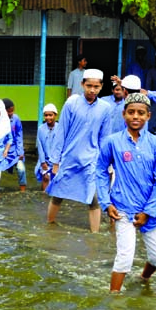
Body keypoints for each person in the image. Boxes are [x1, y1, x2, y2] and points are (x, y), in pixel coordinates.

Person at [98, 93, 156, 292]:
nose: (135, 116)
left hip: (150, 210)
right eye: (131, 112)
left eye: (140, 113)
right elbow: (100, 171)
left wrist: (148, 211)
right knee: (125, 257)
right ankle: (114, 298)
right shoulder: (112, 142)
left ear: (148, 116)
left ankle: (143, 278)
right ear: (123, 114)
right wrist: (106, 202)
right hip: (123, 207)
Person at [46, 69, 112, 232]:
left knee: (93, 198)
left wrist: (107, 164)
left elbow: (105, 139)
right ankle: (49, 227)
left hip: (92, 159)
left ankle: (94, 237)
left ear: (101, 87)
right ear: (82, 84)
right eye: (89, 85)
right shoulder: (71, 103)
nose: (92, 90)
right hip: (69, 158)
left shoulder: (105, 108)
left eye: (96, 86)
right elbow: (61, 133)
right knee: (58, 194)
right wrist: (56, 161)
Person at [2, 98, 26, 191]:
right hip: (2, 151)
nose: (11, 113)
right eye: (9, 111)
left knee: (21, 169)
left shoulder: (16, 119)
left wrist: (20, 151)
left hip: (15, 150)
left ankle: (22, 191)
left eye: (12, 111)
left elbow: (19, 135)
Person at [35, 103, 59, 192]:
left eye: (50, 115)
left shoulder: (60, 128)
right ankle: (44, 198)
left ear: (55, 115)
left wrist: (57, 162)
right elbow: (40, 146)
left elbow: (61, 146)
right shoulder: (41, 129)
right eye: (46, 115)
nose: (48, 117)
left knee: (56, 181)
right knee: (46, 177)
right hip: (45, 160)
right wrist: (42, 161)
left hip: (57, 161)